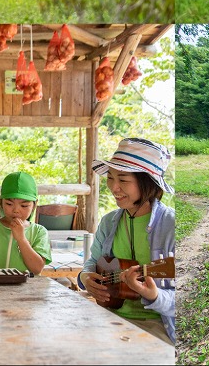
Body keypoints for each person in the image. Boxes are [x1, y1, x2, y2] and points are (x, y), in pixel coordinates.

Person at [78, 137, 175, 345]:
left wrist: (155, 296)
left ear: (146, 182)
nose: (114, 187)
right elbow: (91, 263)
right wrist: (86, 279)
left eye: (123, 180)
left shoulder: (171, 225)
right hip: (110, 319)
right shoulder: (109, 222)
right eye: (110, 178)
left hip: (157, 326)